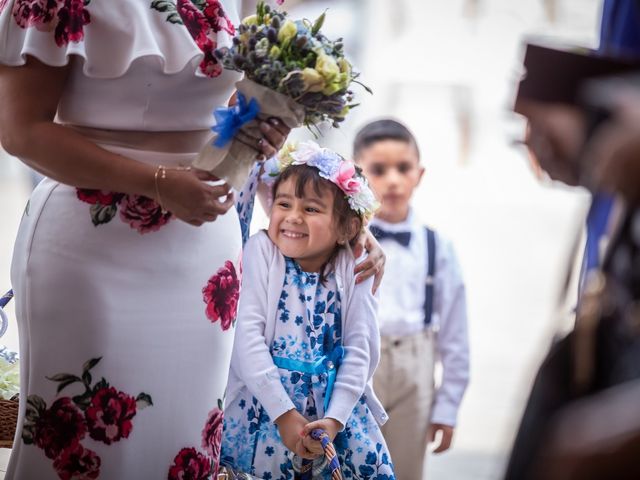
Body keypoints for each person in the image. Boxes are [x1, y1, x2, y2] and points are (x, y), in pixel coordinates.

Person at [0, 2, 384, 478]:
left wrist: (345, 222)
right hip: (91, 241)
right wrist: (158, 182)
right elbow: (20, 131)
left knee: (181, 436)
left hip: (202, 245)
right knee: (83, 443)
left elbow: (231, 118)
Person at [220, 141, 396, 480]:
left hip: (335, 416)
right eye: (283, 203)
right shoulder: (261, 251)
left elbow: (361, 350)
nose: (293, 217)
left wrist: (336, 418)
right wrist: (283, 414)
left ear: (346, 228)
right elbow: (247, 339)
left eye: (312, 209)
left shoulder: (354, 265)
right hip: (265, 409)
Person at [353, 119, 470, 480]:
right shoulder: (346, 244)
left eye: (403, 168)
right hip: (355, 364)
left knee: (404, 469)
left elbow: (455, 332)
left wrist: (447, 407)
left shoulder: (438, 247)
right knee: (349, 464)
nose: (392, 180)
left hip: (415, 370)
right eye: (378, 169)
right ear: (356, 175)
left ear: (419, 174)